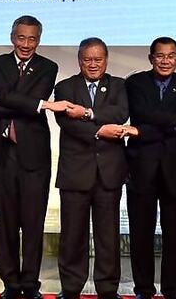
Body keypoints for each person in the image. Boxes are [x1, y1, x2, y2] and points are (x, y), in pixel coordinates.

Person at [124, 37, 176, 299]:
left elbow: (153, 120)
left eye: (171, 56)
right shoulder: (135, 83)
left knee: (173, 235)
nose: (165, 61)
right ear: (151, 58)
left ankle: (173, 290)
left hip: (173, 168)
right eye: (160, 56)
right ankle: (144, 289)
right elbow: (141, 112)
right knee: (141, 233)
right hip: (140, 166)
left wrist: (142, 130)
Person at [0, 15, 59, 299]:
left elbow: (9, 99)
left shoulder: (48, 67)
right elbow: (10, 97)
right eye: (21, 38)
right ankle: (10, 284)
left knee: (33, 223)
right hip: (3, 154)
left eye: (32, 39)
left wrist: (0, 105)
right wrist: (37, 104)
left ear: (38, 40)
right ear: (12, 37)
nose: (26, 44)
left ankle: (30, 283)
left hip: (34, 156)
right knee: (5, 222)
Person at [53, 37, 128, 299]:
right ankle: (71, 287)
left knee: (108, 235)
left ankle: (107, 288)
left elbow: (120, 113)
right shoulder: (65, 87)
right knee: (73, 234)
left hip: (109, 171)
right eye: (87, 59)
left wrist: (88, 113)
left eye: (98, 59)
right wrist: (99, 131)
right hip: (75, 172)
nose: (93, 64)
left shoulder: (118, 86)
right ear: (79, 60)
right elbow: (67, 123)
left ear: (106, 60)